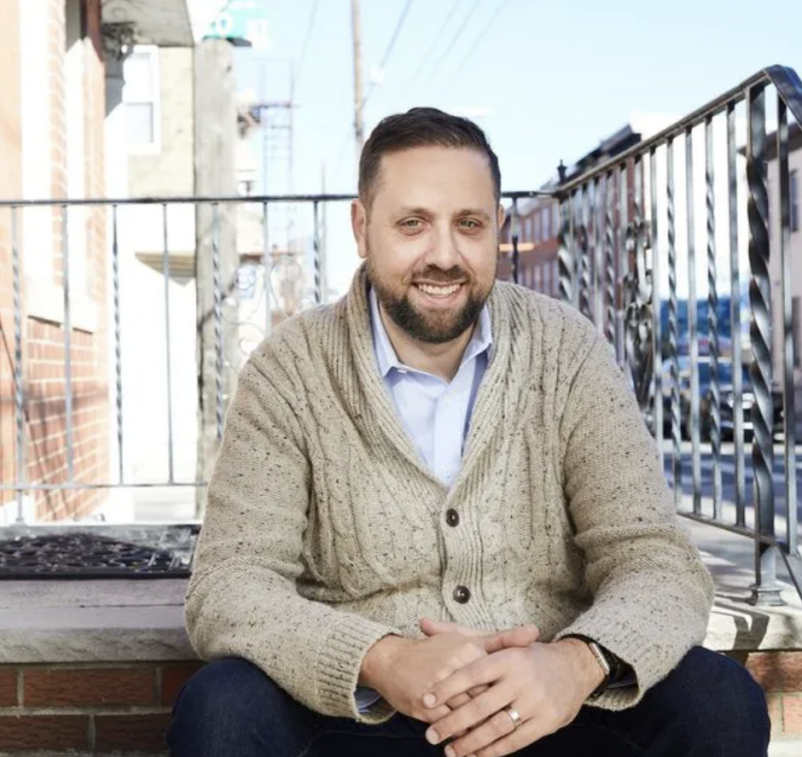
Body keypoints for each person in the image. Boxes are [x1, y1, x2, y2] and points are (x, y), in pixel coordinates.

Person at [166, 107, 769, 757]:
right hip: (362, 715)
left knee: (719, 697)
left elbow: (657, 561)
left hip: (546, 711)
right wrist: (380, 657)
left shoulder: (565, 350)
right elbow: (229, 588)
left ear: (497, 229)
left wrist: (575, 663)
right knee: (221, 708)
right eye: (413, 224)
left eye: (469, 224)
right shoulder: (290, 370)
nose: (445, 255)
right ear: (362, 227)